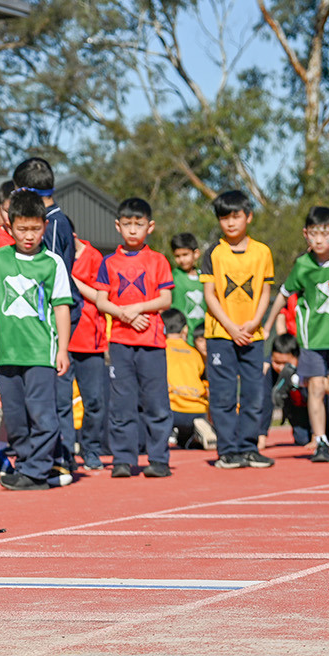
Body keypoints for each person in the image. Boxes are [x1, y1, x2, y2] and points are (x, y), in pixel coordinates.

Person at [0, 188, 73, 490]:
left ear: (44, 226)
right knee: (15, 417)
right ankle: (28, 465)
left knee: (43, 414)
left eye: (35, 228)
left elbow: (61, 307)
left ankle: (37, 471)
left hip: (41, 354)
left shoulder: (53, 263)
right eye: (22, 228)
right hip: (5, 354)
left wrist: (63, 350)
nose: (29, 235)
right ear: (9, 226)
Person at [263, 206, 329, 464]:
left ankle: (297, 380)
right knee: (318, 387)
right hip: (313, 340)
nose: (319, 240)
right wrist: (267, 325)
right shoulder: (303, 265)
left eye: (325, 234)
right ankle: (321, 442)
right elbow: (284, 295)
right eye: (313, 234)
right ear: (305, 235)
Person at [94, 197, 175, 478]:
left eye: (138, 224)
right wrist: (124, 315)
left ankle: (158, 458)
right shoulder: (109, 262)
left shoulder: (158, 260)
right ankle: (123, 459)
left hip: (152, 342)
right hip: (120, 342)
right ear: (118, 225)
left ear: (149, 227)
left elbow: (166, 298)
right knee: (121, 403)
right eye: (127, 224)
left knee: (156, 402)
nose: (132, 230)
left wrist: (139, 307)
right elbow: (101, 300)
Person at [200, 190, 275, 470]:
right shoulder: (214, 254)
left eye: (236, 216)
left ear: (248, 217)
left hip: (252, 335)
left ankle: (249, 447)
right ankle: (228, 450)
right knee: (223, 395)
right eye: (224, 218)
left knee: (254, 393)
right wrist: (230, 327)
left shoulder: (262, 252)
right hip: (221, 335)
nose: (230, 223)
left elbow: (266, 291)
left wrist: (255, 322)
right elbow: (210, 294)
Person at [67, 238, 110, 472]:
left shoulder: (94, 257)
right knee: (61, 402)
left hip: (90, 341)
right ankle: (64, 453)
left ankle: (91, 449)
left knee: (94, 401)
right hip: (62, 341)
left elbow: (101, 297)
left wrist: (72, 280)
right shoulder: (48, 254)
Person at [164, 309, 217, 450]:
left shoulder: (161, 350)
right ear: (185, 329)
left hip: (172, 409)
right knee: (186, 443)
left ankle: (170, 433)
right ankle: (194, 435)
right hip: (197, 410)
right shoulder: (195, 353)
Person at [263, 332, 312, 446]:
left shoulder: (307, 368)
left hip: (316, 412)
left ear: (297, 357)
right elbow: (266, 403)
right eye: (276, 362)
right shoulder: (270, 372)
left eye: (285, 363)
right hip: (298, 413)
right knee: (302, 440)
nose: (280, 367)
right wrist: (261, 435)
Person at [169, 232, 207, 331]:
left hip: (202, 334)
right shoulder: (172, 276)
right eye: (177, 256)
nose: (182, 259)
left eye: (185, 254)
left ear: (196, 254)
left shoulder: (205, 277)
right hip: (180, 334)